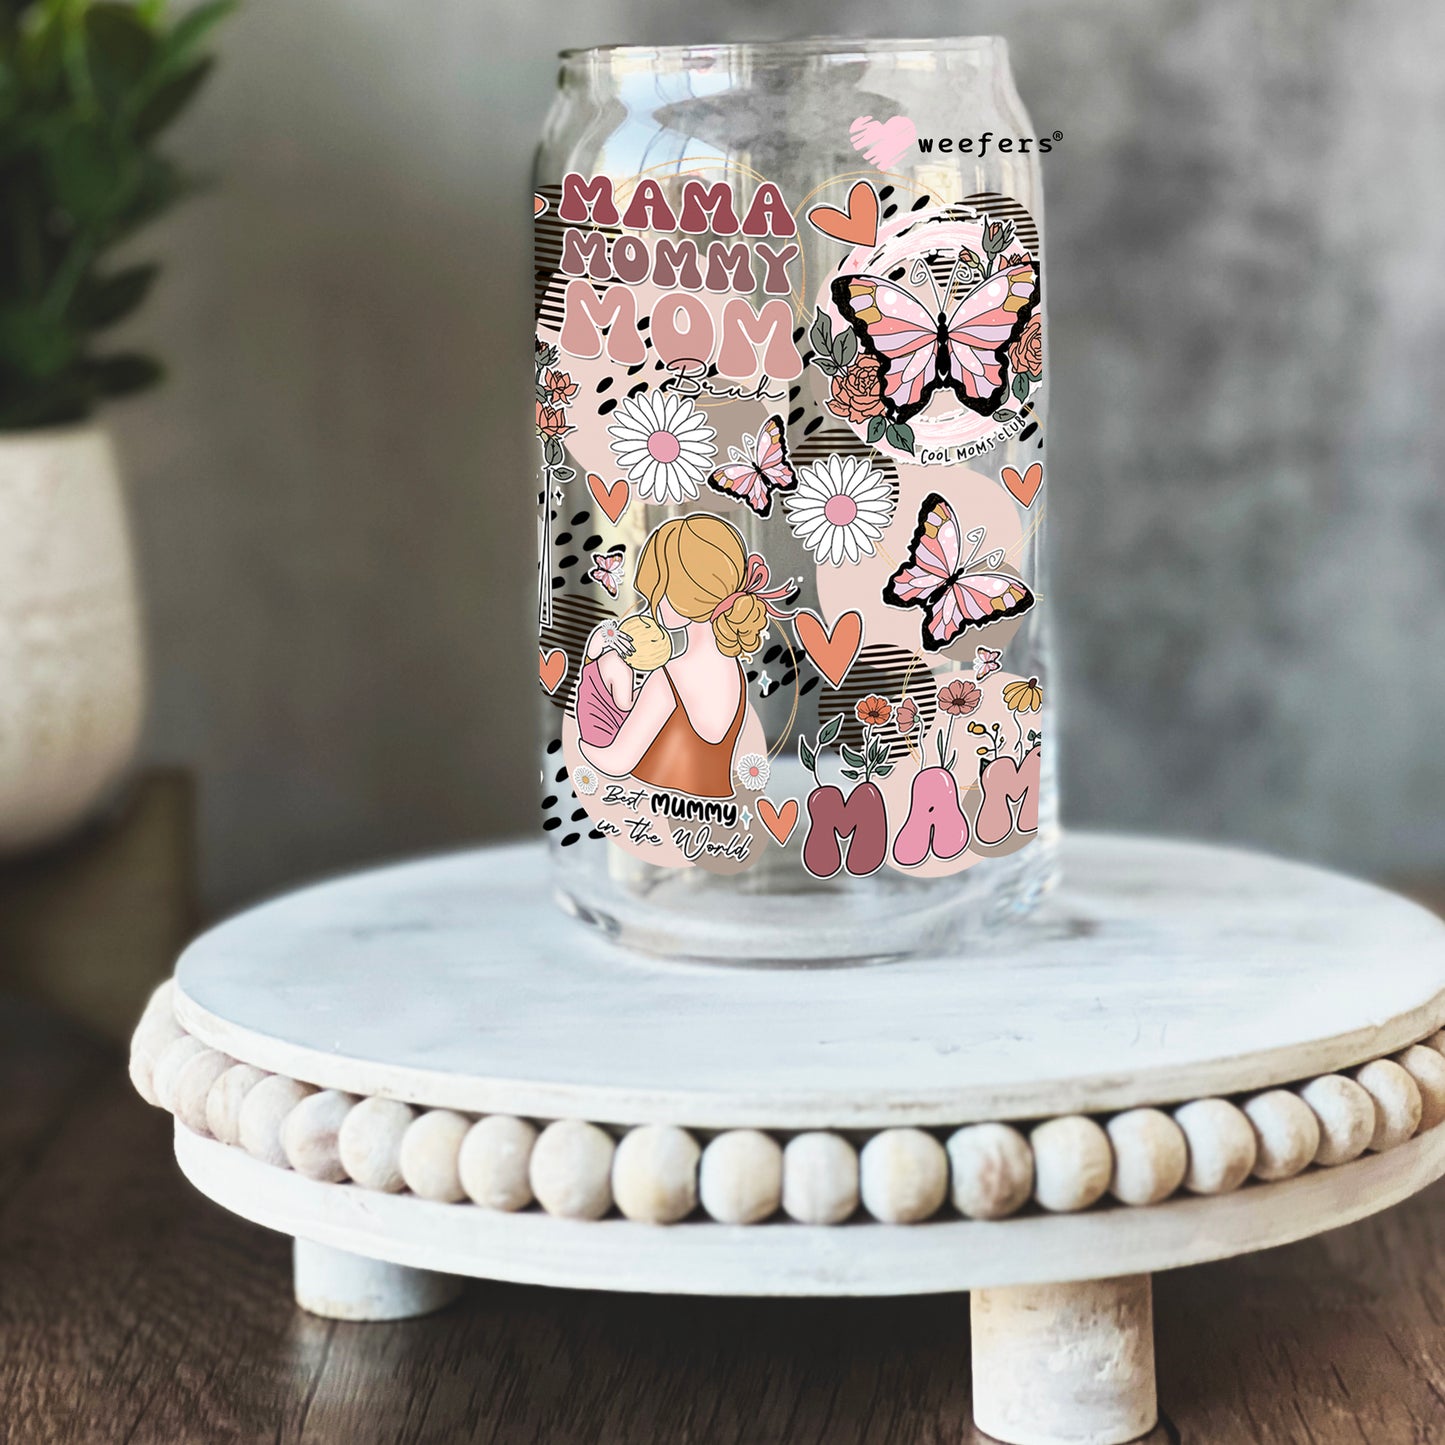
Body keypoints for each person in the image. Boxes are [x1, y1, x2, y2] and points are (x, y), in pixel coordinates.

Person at [577, 514, 790, 799]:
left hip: (663, 804)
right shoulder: (732, 669)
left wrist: (583, 744)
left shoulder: (670, 677)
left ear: (684, 595)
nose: (652, 606)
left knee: (608, 668)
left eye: (659, 591)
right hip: (716, 802)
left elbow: (616, 762)